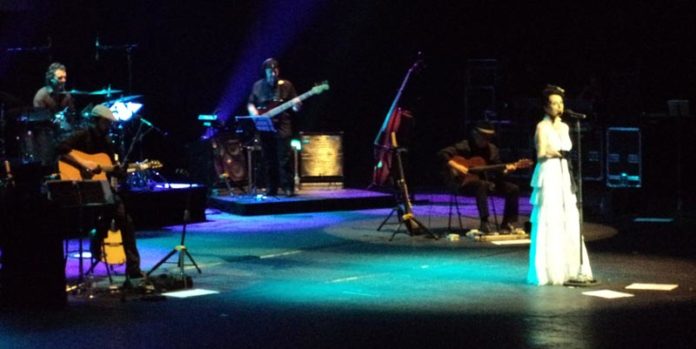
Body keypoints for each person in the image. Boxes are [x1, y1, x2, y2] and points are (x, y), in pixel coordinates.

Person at [57, 104, 144, 280]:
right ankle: (97, 242)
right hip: (79, 186)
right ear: (96, 121)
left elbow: (114, 170)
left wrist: (125, 170)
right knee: (108, 216)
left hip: (102, 187)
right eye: (106, 122)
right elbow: (60, 149)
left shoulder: (108, 143)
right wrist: (83, 165)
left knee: (124, 219)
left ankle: (133, 268)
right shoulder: (82, 135)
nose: (109, 126)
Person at [527, 84, 593, 286]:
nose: (559, 106)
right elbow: (539, 154)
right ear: (546, 107)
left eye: (560, 103)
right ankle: (548, 271)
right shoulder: (542, 126)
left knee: (567, 216)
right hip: (550, 170)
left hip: (564, 171)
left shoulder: (565, 126)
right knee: (550, 217)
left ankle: (570, 268)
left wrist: (562, 155)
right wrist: (554, 152)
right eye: (554, 103)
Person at [437, 120, 521, 234]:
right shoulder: (465, 146)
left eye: (488, 138)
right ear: (475, 135)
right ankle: (484, 222)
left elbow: (499, 172)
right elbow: (442, 154)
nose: (485, 141)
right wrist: (458, 167)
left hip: (487, 183)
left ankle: (507, 224)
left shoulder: (492, 150)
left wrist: (507, 170)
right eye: (483, 138)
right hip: (463, 184)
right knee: (481, 184)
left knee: (513, 188)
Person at [247, 58, 301, 197]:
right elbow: (251, 103)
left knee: (284, 159)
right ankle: (272, 188)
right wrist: (253, 113)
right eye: (270, 71)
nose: (273, 73)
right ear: (265, 72)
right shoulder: (257, 86)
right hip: (265, 127)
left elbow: (295, 107)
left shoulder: (287, 85)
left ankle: (288, 188)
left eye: (275, 70)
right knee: (268, 159)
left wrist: (297, 105)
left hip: (282, 126)